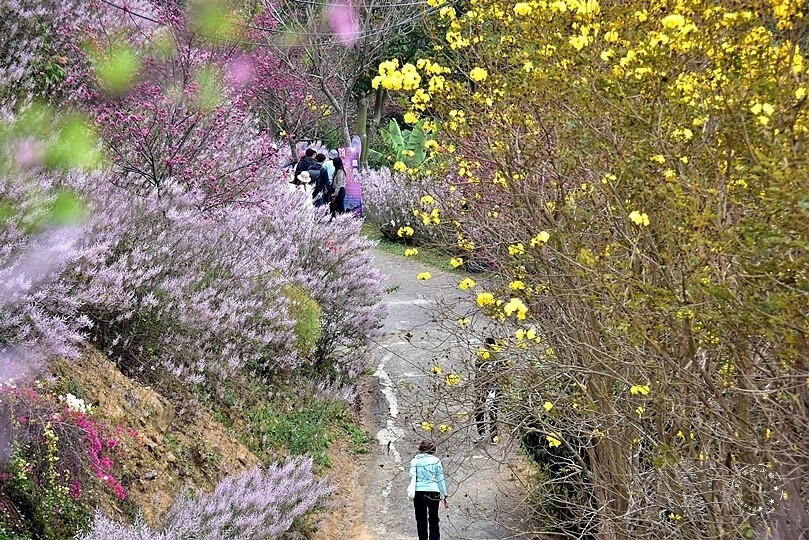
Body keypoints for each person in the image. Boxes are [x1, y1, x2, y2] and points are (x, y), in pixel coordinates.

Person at [410, 440, 448, 540]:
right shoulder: (436, 461)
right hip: (433, 492)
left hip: (418, 492)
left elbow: (412, 476)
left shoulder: (414, 461)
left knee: (420, 519)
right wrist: (444, 495)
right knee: (434, 518)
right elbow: (440, 479)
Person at [474, 337, 503, 444]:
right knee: (491, 410)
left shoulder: (483, 356)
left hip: (488, 386)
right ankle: (491, 435)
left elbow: (477, 370)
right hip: (491, 386)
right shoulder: (499, 356)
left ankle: (484, 433)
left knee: (483, 410)